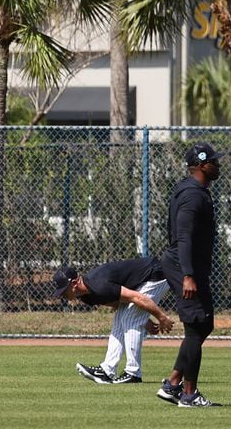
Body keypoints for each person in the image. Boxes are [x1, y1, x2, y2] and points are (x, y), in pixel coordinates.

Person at [156, 141, 222, 409]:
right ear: (203, 165)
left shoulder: (194, 190)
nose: (218, 165)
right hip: (184, 267)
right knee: (195, 327)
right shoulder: (193, 195)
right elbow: (183, 236)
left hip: (187, 265)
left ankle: (173, 384)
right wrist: (188, 275)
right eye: (214, 162)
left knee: (203, 325)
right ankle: (189, 394)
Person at [54, 257, 173, 384]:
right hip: (142, 280)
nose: (62, 295)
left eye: (64, 290)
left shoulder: (98, 285)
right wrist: (146, 320)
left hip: (155, 273)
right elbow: (119, 303)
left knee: (129, 318)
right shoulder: (86, 297)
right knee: (120, 319)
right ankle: (107, 370)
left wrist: (161, 317)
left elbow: (136, 297)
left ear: (74, 284)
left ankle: (133, 373)